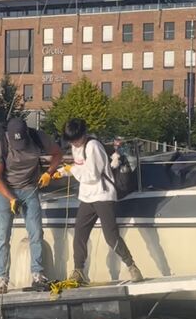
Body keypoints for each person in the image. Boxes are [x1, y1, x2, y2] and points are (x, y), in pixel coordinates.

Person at [61, 118, 144, 286]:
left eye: (76, 139)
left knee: (111, 237)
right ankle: (79, 271)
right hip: (87, 197)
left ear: (83, 135)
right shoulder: (75, 147)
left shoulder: (93, 147)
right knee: (80, 234)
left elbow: (92, 176)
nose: (74, 144)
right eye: (71, 140)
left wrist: (72, 170)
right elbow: (80, 169)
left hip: (103, 195)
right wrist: (62, 172)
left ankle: (132, 266)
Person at [0, 117, 64, 293]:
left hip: (30, 189)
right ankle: (2, 278)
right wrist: (11, 198)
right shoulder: (0, 145)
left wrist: (49, 173)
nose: (20, 145)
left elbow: (58, 154)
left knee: (36, 232)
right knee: (2, 236)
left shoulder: (38, 138)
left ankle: (38, 274)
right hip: (5, 191)